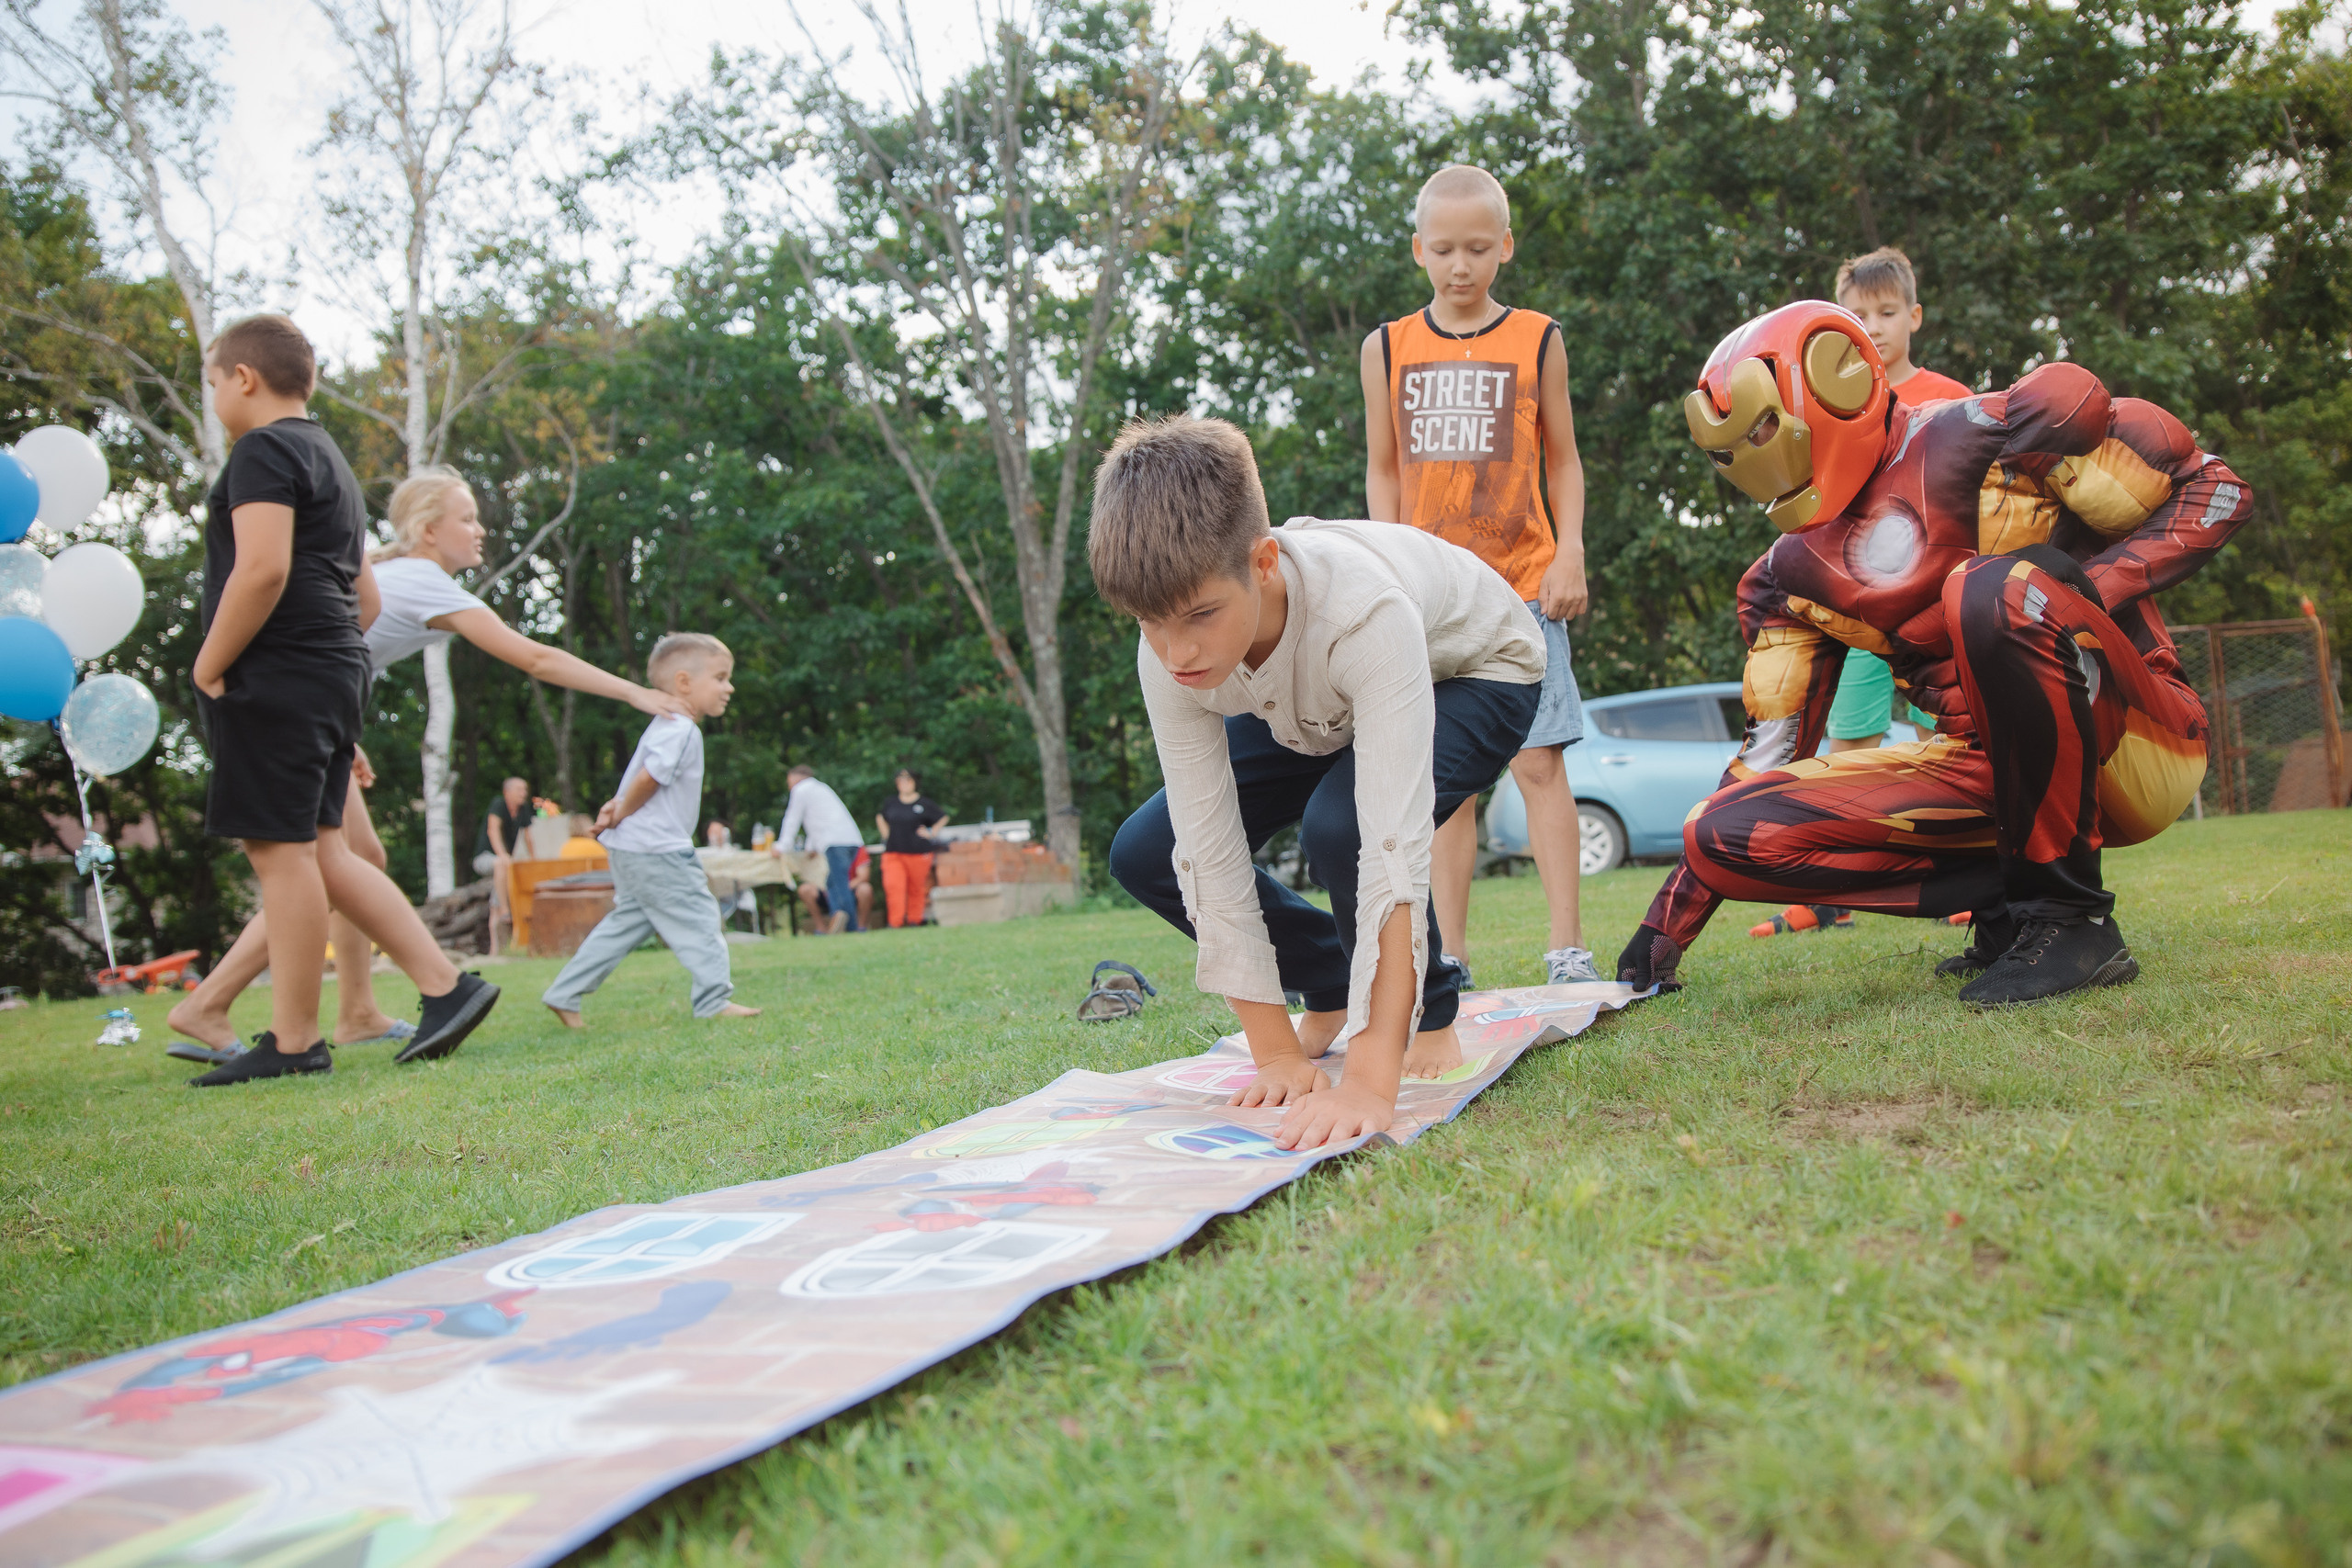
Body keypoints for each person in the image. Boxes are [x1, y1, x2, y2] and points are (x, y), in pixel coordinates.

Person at [1620, 299, 2251, 1007]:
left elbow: (2216, 489)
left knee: (1993, 592)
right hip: (1982, 773)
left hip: (2137, 738)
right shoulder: (1786, 576)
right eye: (1735, 444)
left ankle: (2071, 920)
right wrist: (1664, 925)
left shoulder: (1993, 435)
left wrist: (2087, 590)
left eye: (1764, 426)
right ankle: (2008, 912)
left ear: (1834, 384)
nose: (1755, 455)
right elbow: (1768, 752)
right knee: (1722, 833)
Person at [1098, 416, 1545, 1150]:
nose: (1177, 650)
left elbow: (1393, 843)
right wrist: (1274, 1051)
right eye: (1149, 621)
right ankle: (1335, 982)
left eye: (1202, 614)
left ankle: (1428, 1008)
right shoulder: (1174, 659)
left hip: (1478, 669)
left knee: (1343, 826)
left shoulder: (1362, 615)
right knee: (1148, 850)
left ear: (1263, 562)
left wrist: (1369, 1080)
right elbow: (1206, 849)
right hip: (1318, 704)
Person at [167, 465, 685, 1064]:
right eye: (467, 518)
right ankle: (211, 1003)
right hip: (280, 711)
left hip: (305, 710)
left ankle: (356, 1011)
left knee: (359, 859)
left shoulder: (404, 576)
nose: (480, 529)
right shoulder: (420, 578)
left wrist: (343, 732)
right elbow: (536, 659)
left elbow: (347, 651)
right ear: (429, 530)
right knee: (327, 866)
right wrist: (636, 693)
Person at [180, 315, 495, 1085]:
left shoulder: (261, 452)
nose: (216, 395)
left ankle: (294, 1042)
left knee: (280, 854)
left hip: (278, 668)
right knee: (324, 846)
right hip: (329, 665)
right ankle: (447, 985)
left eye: (215, 381)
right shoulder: (329, 458)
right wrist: (328, 673)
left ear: (244, 378)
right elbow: (364, 595)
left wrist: (209, 665)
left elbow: (259, 571)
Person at [1360, 164, 1596, 987]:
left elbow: (1563, 459)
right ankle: (1446, 955)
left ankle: (1568, 948)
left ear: (1504, 246)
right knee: (1450, 781)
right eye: (1444, 249)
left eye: (1477, 248)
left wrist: (1570, 551)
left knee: (1538, 765)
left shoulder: (1537, 336)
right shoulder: (1387, 345)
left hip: (1524, 583)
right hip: (1430, 593)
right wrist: (1386, 570)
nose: (1460, 266)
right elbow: (1383, 472)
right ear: (1419, 249)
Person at [1754, 247, 1975, 939]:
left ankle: (1970, 881)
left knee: (1958, 741)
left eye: (1886, 313)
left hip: (1943, 609)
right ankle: (1831, 892)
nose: (1872, 327)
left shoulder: (1952, 397)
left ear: (1914, 315)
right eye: (1856, 315)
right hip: (1860, 611)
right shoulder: (1826, 407)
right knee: (1847, 741)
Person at [543, 634, 761, 1026]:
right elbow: (650, 778)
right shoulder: (681, 728)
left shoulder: (665, 726)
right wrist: (622, 809)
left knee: (627, 923)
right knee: (699, 914)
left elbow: (643, 779)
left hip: (633, 848)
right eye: (721, 677)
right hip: (658, 849)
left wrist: (617, 809)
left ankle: (565, 993)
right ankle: (713, 1001)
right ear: (683, 683)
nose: (729, 687)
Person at [777, 764, 865, 933]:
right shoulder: (821, 788)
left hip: (836, 842)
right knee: (832, 883)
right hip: (851, 840)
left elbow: (792, 819)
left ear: (796, 778)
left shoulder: (801, 789)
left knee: (839, 886)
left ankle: (850, 928)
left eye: (789, 782)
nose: (789, 787)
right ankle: (837, 920)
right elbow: (819, 821)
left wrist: (782, 846)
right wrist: (812, 846)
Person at [875, 769, 949, 928]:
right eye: (900, 781)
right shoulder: (891, 802)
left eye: (908, 780)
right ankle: (895, 922)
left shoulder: (923, 803)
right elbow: (880, 817)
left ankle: (914, 920)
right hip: (894, 851)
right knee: (894, 886)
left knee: (916, 888)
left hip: (917, 852)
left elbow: (943, 817)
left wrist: (931, 832)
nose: (904, 784)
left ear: (914, 783)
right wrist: (886, 834)